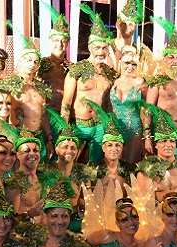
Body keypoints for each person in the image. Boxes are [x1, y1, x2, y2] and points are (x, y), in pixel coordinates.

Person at [61, 5, 116, 163]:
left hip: (100, 126)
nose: (101, 51)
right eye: (97, 47)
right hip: (79, 125)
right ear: (90, 48)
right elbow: (66, 102)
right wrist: (65, 130)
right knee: (70, 164)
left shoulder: (108, 72)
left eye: (104, 48)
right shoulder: (77, 69)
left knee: (94, 167)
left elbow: (109, 103)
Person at [145, 17, 177, 155]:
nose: (175, 61)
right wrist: (147, 137)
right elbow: (148, 110)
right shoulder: (158, 82)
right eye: (171, 57)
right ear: (165, 59)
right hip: (162, 133)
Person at [0, 38, 52, 159]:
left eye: (36, 62)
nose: (32, 64)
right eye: (29, 60)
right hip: (17, 139)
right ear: (20, 61)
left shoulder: (41, 87)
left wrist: (49, 138)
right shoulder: (9, 85)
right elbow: (0, 113)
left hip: (39, 138)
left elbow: (43, 114)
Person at [111, 47, 147, 164]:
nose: (130, 67)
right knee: (114, 167)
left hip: (134, 130)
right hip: (115, 131)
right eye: (127, 63)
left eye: (134, 64)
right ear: (120, 62)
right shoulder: (113, 81)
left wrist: (146, 136)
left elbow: (147, 110)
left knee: (130, 167)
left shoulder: (140, 82)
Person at [38, 5, 71, 113]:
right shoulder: (40, 64)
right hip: (47, 116)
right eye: (56, 40)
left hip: (66, 117)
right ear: (51, 41)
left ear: (67, 43)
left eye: (63, 41)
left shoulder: (72, 67)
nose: (60, 44)